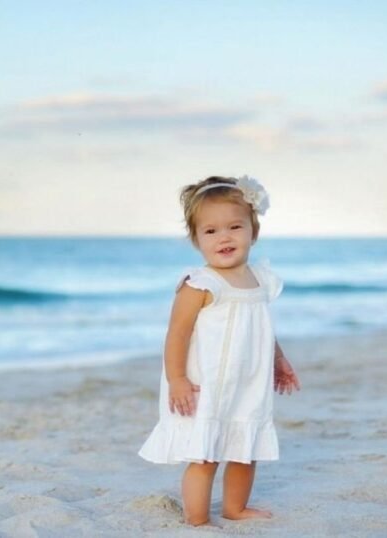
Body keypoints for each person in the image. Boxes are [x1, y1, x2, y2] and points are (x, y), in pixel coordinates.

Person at [137, 175, 301, 527]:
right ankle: (197, 519)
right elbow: (177, 334)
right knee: (205, 455)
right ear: (196, 240)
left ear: (253, 232)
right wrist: (177, 378)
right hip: (206, 383)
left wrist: (279, 359)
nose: (224, 237)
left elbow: (262, 328)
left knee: (245, 450)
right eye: (210, 231)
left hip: (247, 381)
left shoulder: (259, 279)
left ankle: (235, 508)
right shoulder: (201, 284)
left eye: (234, 227)